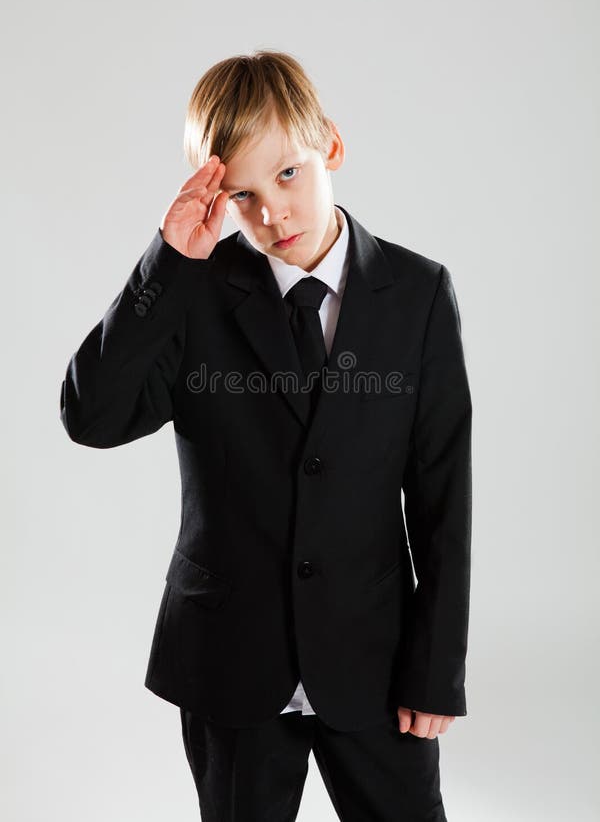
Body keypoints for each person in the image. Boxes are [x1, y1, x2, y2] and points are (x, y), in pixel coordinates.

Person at [60, 49, 472, 821]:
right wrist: (165, 265)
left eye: (288, 175)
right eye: (243, 195)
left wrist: (437, 669)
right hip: (229, 660)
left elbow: (445, 492)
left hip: (376, 662)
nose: (271, 215)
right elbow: (93, 417)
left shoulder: (417, 294)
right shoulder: (192, 292)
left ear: (332, 149)